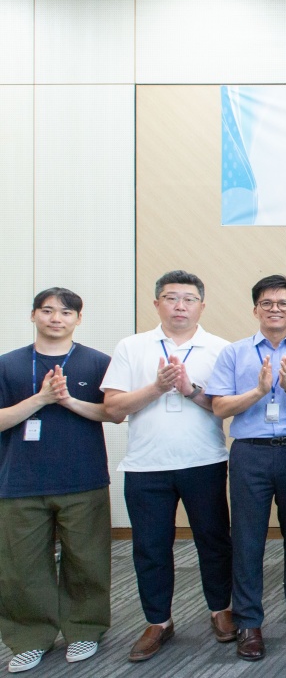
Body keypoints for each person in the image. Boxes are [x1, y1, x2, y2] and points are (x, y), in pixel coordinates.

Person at [101, 270, 235, 662]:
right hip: (146, 466)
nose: (180, 306)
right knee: (150, 546)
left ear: (201, 306)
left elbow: (227, 407)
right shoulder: (132, 347)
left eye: (189, 299)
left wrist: (189, 390)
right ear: (157, 303)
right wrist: (157, 387)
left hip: (204, 461)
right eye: (172, 298)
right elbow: (113, 408)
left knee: (214, 540)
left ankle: (221, 609)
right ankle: (158, 621)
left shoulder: (220, 348)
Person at [0, 288, 117, 673]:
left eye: (66, 312)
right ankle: (29, 638)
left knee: (88, 560)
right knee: (21, 566)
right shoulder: (8, 364)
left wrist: (68, 401)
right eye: (47, 311)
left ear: (78, 319)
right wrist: (41, 399)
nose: (56, 318)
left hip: (83, 478)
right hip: (20, 481)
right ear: (33, 315)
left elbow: (114, 413)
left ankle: (84, 629)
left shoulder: (97, 362)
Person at [206, 275, 286, 661]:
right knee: (248, 539)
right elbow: (219, 406)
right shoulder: (234, 353)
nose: (275, 309)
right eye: (267, 303)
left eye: (283, 303)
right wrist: (257, 391)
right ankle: (249, 621)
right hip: (250, 454)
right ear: (256, 309)